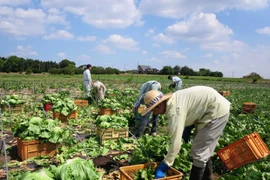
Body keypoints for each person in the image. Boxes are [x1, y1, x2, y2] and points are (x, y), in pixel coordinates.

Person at [141, 86, 231, 180]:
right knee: (202, 148)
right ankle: (208, 178)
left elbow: (176, 143)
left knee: (199, 152)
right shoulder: (173, 101)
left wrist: (165, 165)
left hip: (216, 111)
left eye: (154, 110)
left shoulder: (174, 110)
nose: (155, 113)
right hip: (208, 110)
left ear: (159, 105)